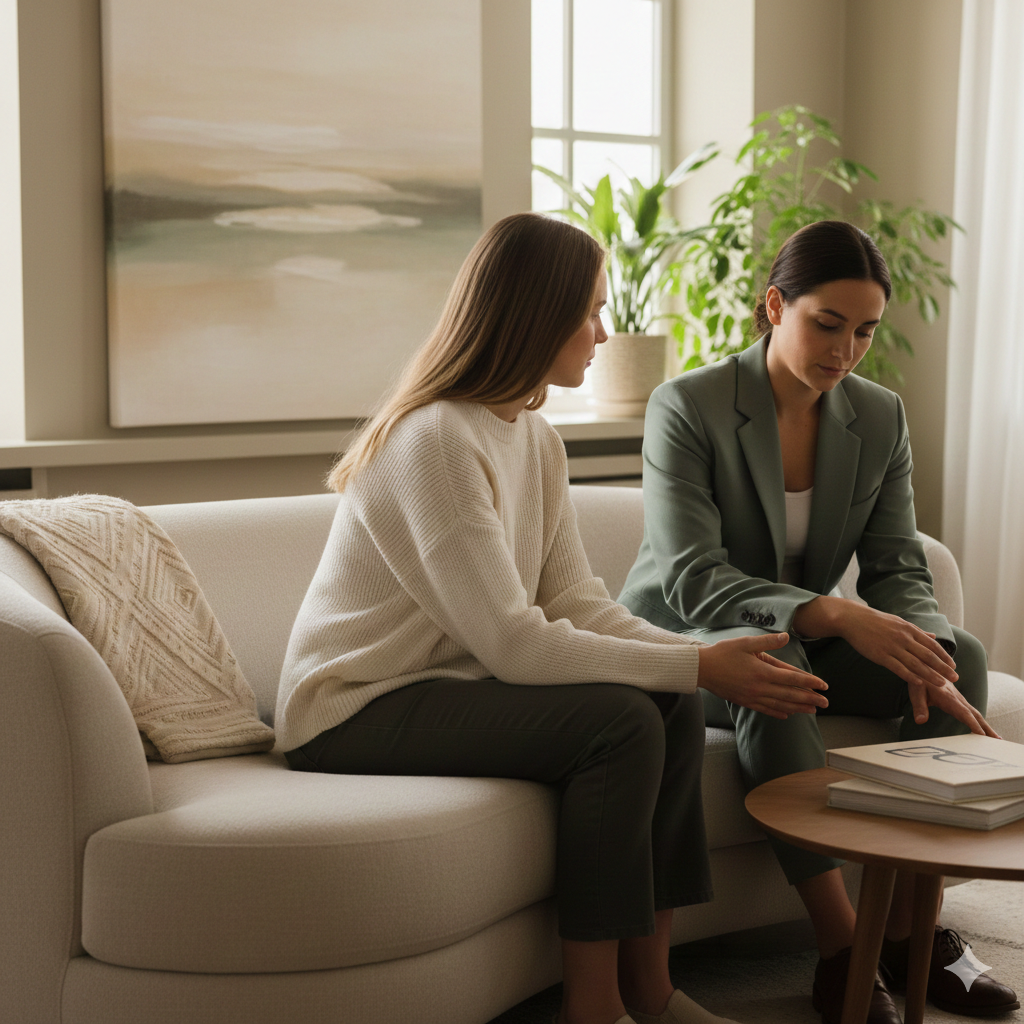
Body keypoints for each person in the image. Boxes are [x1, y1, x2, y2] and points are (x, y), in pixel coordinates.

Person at [276, 212, 834, 1024]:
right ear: (534, 314)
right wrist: (699, 664)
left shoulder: (532, 437)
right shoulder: (433, 440)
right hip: (355, 706)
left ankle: (652, 988)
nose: (604, 333)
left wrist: (695, 657)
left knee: (667, 703)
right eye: (591, 311)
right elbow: (512, 641)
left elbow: (574, 603)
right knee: (620, 722)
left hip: (446, 687)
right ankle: (595, 1007)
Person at [619, 220, 1019, 1024]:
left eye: (865, 331)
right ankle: (844, 946)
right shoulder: (687, 405)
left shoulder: (878, 417)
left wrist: (920, 648)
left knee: (956, 658)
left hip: (800, 629)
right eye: (826, 324)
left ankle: (909, 931)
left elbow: (900, 565)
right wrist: (834, 611)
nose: (845, 351)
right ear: (776, 306)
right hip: (691, 636)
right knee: (778, 672)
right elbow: (694, 577)